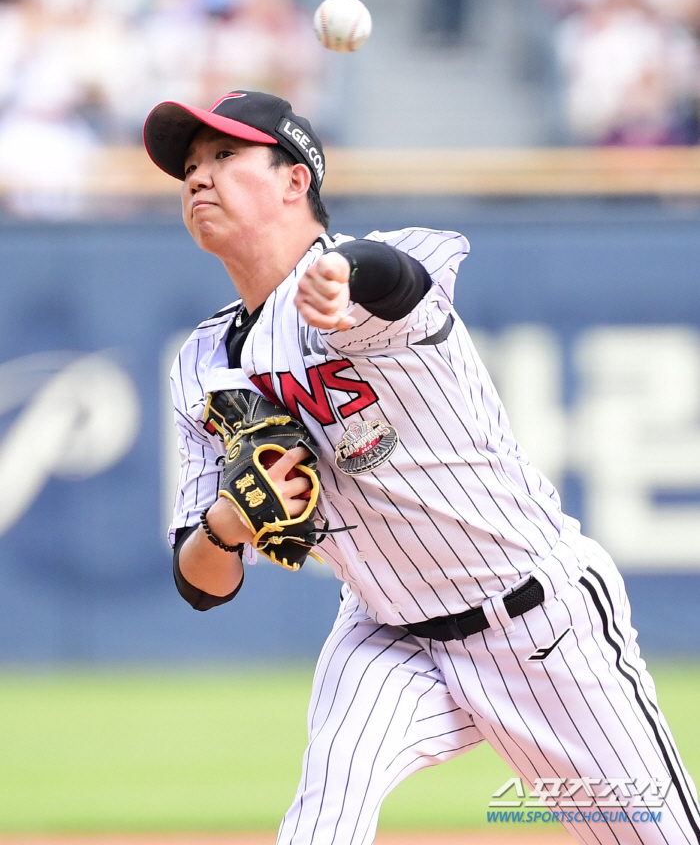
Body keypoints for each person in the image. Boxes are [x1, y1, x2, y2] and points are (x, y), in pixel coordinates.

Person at [144, 89, 700, 844]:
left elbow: (397, 277)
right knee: (322, 820)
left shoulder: (366, 282)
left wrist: (343, 272)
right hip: (386, 632)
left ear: (294, 180)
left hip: (539, 623)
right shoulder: (203, 366)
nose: (198, 177)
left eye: (224, 155)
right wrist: (229, 521)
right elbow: (200, 582)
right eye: (190, 165)